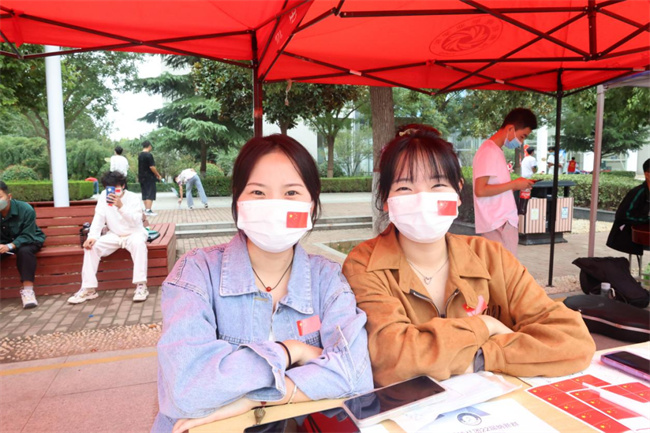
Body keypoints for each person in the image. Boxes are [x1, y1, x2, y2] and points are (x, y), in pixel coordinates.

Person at [342, 127, 595, 388]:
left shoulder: (491, 257)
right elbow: (392, 360)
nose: (423, 199)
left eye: (438, 185)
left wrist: (482, 358)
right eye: (405, 187)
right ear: (385, 199)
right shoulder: (364, 264)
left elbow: (573, 341)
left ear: (457, 193)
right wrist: (485, 325)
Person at [153, 134, 373, 433]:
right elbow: (189, 390)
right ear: (238, 199)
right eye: (258, 192)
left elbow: (356, 376)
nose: (274, 205)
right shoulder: (196, 272)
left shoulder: (326, 278)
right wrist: (289, 351)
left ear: (312, 203)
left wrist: (256, 399)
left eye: (291, 192)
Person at [67, 171, 149, 304]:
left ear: (123, 186)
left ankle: (141, 286)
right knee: (91, 247)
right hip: (114, 235)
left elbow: (136, 221)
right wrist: (92, 236)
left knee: (139, 244)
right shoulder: (103, 197)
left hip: (134, 233)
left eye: (116, 187)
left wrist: (121, 206)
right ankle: (88, 289)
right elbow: (99, 217)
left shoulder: (133, 198)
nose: (112, 191)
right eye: (109, 188)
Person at [472, 108, 537, 255]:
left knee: (502, 267)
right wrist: (514, 184)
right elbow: (480, 190)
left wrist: (516, 186)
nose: (521, 142)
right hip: (499, 223)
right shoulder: (489, 151)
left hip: (499, 222)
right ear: (510, 128)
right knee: (505, 267)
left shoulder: (495, 150)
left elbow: (493, 188)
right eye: (522, 136)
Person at [0, 181, 46, 309]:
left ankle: (28, 292)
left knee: (24, 252)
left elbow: (28, 235)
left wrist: (10, 246)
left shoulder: (25, 209)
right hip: (3, 243)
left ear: (9, 196)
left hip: (29, 239)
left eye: (0, 197)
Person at [606, 158, 650, 256]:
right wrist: (646, 219)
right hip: (630, 235)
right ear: (647, 175)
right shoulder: (638, 192)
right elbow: (622, 216)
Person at [138, 140, 162, 217]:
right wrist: (158, 175)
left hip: (141, 176)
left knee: (144, 193)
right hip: (149, 177)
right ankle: (148, 210)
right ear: (149, 146)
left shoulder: (140, 155)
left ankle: (146, 209)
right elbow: (152, 167)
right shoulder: (149, 155)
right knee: (150, 192)